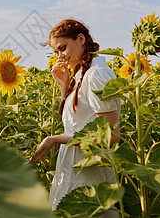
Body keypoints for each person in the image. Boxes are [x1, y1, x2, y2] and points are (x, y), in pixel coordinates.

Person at [30, 19, 121, 215]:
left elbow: (111, 137)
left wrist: (55, 139)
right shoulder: (81, 73)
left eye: (63, 48)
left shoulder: (96, 74)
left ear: (81, 39)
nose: (60, 57)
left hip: (91, 167)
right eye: (56, 52)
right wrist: (64, 86)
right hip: (74, 164)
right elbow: (75, 123)